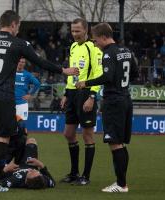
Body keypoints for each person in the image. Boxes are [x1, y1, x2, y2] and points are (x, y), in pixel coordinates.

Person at [0, 10, 78, 192]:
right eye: (19, 26)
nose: (18, 29)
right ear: (14, 24)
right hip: (5, 97)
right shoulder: (18, 44)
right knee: (2, 139)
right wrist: (63, 70)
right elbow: (40, 62)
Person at [75, 23, 139, 192]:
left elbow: (107, 77)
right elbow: (135, 74)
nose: (95, 44)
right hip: (126, 99)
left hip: (114, 102)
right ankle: (121, 183)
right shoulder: (126, 51)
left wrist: (86, 83)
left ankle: (121, 184)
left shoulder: (108, 53)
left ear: (103, 37)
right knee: (121, 144)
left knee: (115, 144)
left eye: (95, 41)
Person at [60, 18, 103, 185]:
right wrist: (66, 93)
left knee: (87, 135)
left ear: (86, 30)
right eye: (72, 31)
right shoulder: (72, 47)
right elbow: (73, 73)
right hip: (72, 93)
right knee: (69, 134)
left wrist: (92, 96)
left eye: (78, 31)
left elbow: (99, 74)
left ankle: (86, 176)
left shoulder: (93, 47)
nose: (75, 34)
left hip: (86, 93)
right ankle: (74, 173)